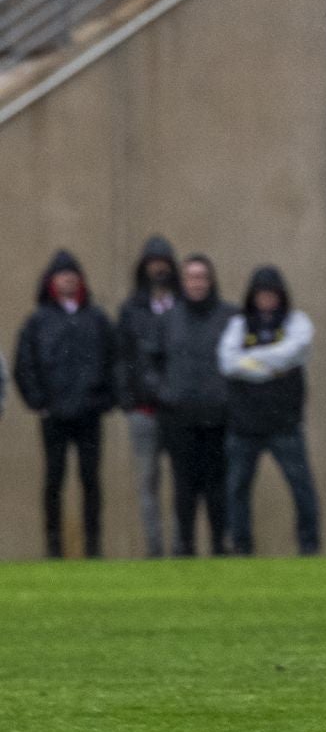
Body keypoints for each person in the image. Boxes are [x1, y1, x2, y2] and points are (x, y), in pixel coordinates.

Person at [14, 250, 117, 559]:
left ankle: (93, 547)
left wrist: (105, 400)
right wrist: (38, 402)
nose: (68, 280)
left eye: (73, 275)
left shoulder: (96, 318)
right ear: (52, 281)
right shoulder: (38, 321)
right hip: (54, 414)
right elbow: (25, 365)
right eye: (62, 275)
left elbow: (115, 360)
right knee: (53, 481)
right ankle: (53, 548)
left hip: (89, 413)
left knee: (91, 481)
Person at [221, 266, 322, 556]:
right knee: (237, 489)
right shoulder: (238, 325)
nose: (266, 300)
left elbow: (294, 351)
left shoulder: (297, 322)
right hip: (245, 425)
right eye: (261, 294)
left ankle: (309, 545)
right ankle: (241, 545)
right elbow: (228, 363)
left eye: (271, 294)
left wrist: (250, 361)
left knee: (301, 487)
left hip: (285, 424)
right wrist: (270, 366)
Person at [158, 255, 236, 556]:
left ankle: (220, 544)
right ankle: (186, 545)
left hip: (219, 416)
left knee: (218, 485)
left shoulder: (231, 317)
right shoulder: (168, 320)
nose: (197, 282)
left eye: (202, 276)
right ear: (183, 281)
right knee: (184, 486)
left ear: (211, 280)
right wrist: (165, 392)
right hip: (179, 417)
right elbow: (151, 361)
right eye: (191, 277)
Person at [116, 235, 180, 558]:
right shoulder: (131, 309)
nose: (159, 268)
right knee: (148, 483)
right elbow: (122, 357)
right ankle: (154, 550)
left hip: (180, 410)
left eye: (163, 262)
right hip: (144, 410)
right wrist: (128, 402)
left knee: (182, 482)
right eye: (153, 262)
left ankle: (182, 548)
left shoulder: (183, 308)